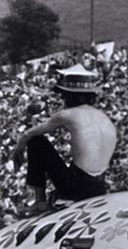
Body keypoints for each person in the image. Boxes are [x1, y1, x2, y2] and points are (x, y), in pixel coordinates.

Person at [11, 64, 117, 213]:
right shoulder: (104, 117)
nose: (61, 98)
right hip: (100, 187)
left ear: (69, 96)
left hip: (77, 187)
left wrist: (19, 149)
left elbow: (28, 134)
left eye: (63, 95)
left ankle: (39, 201)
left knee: (36, 141)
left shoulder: (67, 115)